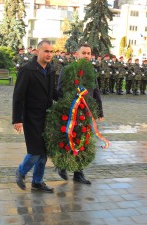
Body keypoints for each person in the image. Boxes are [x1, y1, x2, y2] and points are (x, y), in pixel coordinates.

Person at [12, 40, 58, 193]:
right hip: (31, 117)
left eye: (51, 52)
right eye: (46, 51)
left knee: (44, 152)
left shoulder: (51, 70)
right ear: (37, 52)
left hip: (47, 116)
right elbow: (18, 96)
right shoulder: (27, 70)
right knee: (35, 151)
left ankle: (37, 182)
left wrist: (71, 98)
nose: (49, 54)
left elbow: (53, 92)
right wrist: (17, 119)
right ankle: (21, 171)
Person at [57, 43, 104, 185]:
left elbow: (96, 92)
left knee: (83, 142)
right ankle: (62, 165)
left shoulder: (91, 71)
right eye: (84, 53)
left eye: (89, 53)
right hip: (70, 112)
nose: (86, 56)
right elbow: (60, 90)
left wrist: (99, 111)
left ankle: (79, 173)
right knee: (67, 140)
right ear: (76, 54)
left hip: (86, 113)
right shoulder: (67, 70)